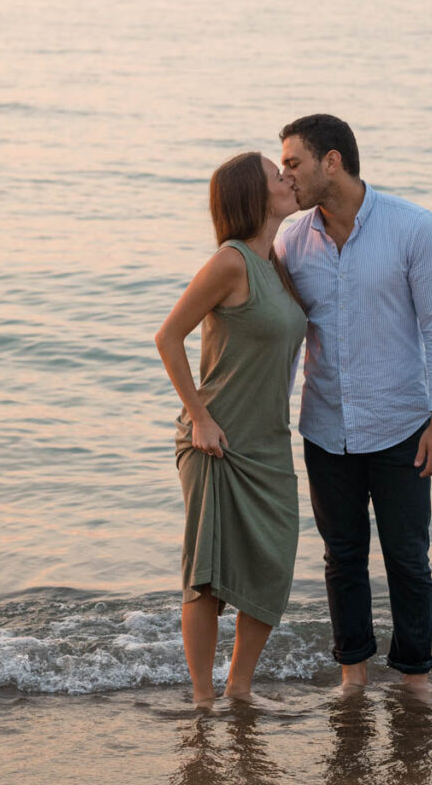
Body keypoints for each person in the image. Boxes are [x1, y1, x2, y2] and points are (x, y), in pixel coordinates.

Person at [275, 114, 432, 698]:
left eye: (293, 163)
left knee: (408, 557)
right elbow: (282, 332)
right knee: (342, 556)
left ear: (332, 161)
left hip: (403, 423)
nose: (286, 176)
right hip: (326, 426)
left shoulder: (413, 228)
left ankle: (414, 676)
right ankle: (352, 673)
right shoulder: (291, 239)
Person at [155, 152, 306, 707]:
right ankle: (202, 699)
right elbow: (168, 337)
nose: (288, 179)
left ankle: (239, 687)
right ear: (253, 196)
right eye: (276, 175)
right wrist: (200, 417)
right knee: (208, 576)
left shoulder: (276, 264)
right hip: (216, 443)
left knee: (273, 564)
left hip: (268, 444)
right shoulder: (231, 261)